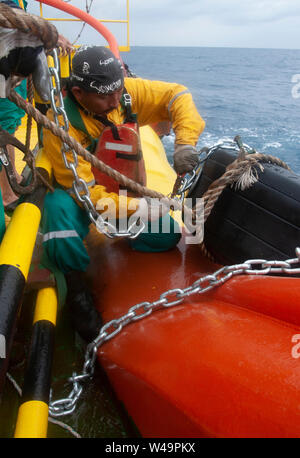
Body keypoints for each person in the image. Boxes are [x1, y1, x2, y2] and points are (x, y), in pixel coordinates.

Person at [41, 45, 206, 342]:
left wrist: (185, 143)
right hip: (83, 199)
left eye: (118, 91)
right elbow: (85, 194)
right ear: (78, 93)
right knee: (56, 212)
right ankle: (77, 288)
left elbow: (177, 94)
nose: (115, 101)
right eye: (104, 96)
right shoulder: (60, 125)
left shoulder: (124, 93)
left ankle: (115, 245)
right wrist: (140, 211)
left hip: (124, 191)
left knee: (167, 235)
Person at [0, 0, 73, 211]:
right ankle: (6, 193)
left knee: (10, 122)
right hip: (7, 60)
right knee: (4, 124)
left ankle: (11, 175)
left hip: (11, 63)